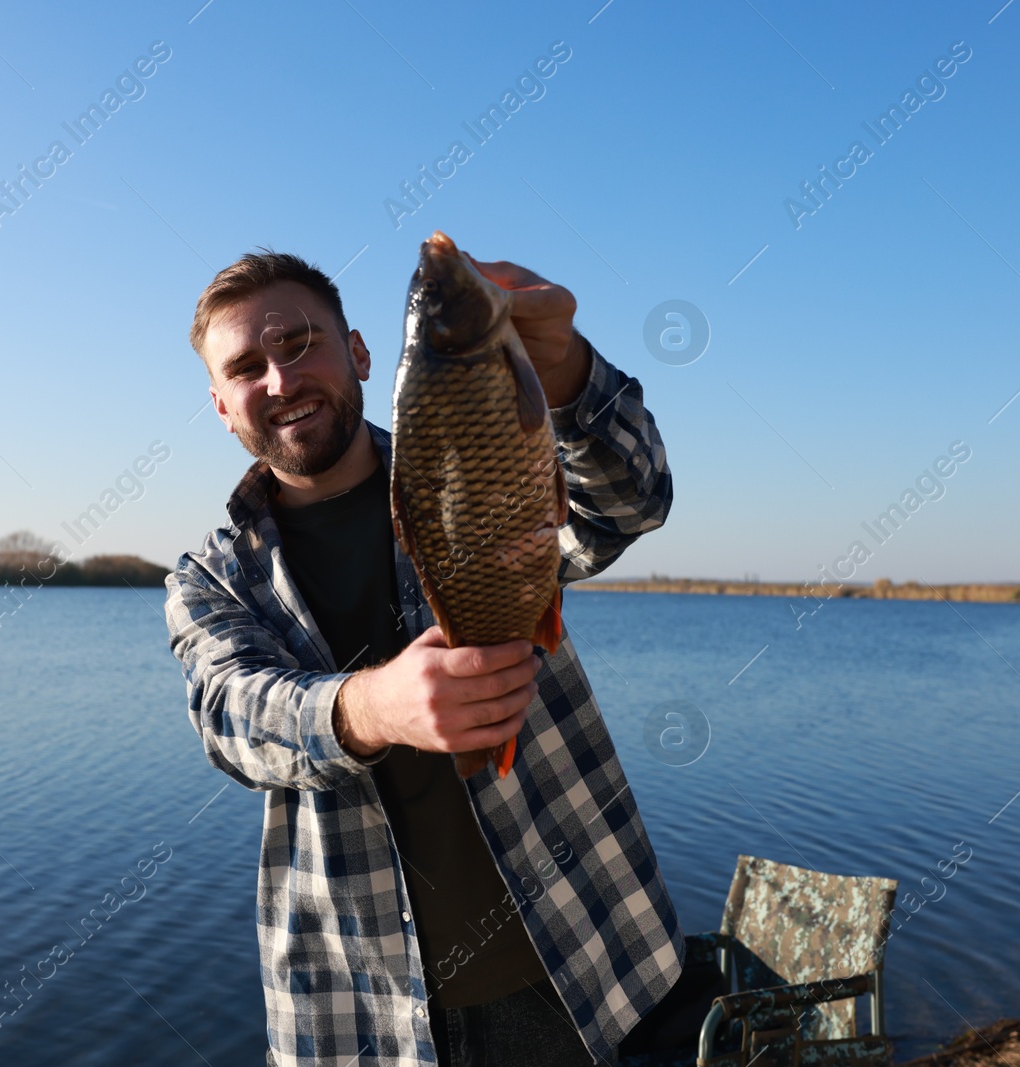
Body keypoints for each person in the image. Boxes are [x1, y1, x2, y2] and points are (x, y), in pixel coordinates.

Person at [164, 246, 683, 1067]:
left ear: (361, 352)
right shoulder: (209, 579)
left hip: (595, 960)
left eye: (300, 343)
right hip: (366, 1017)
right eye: (246, 367)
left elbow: (630, 504)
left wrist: (570, 374)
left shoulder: (468, 458)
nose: (279, 379)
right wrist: (373, 708)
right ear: (223, 408)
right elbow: (229, 716)